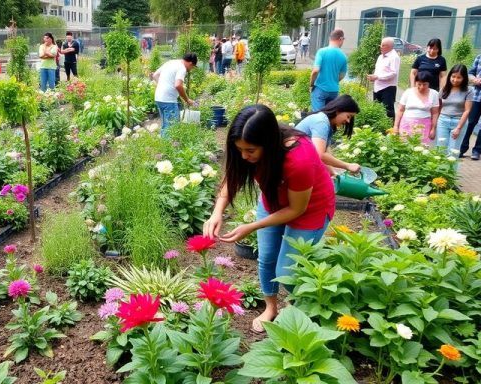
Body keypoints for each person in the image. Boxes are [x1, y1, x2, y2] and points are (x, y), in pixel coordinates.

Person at [203, 104, 334, 334]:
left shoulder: (299, 158)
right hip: (273, 199)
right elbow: (231, 177)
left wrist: (252, 226)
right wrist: (217, 211)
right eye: (240, 149)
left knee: (288, 270)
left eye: (251, 150)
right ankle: (270, 307)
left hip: (309, 208)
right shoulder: (247, 150)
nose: (244, 155)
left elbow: (296, 209)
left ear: (269, 142)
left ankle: (295, 308)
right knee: (266, 258)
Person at [294, 95, 361, 174]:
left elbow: (326, 154)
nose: (348, 121)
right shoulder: (321, 122)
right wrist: (347, 165)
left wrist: (333, 173)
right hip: (294, 161)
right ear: (338, 111)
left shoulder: (328, 124)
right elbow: (320, 155)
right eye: (348, 116)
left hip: (299, 159)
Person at [152, 53, 198, 135]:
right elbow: (178, 85)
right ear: (191, 63)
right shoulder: (182, 68)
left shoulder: (171, 62)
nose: (191, 69)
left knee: (165, 125)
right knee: (171, 127)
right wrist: (187, 99)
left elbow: (155, 75)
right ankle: (169, 146)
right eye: (192, 67)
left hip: (159, 98)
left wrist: (163, 85)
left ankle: (164, 146)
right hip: (168, 100)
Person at [393, 71, 440, 145]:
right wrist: (395, 126)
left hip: (424, 125)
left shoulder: (434, 94)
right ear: (415, 82)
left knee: (422, 148)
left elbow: (435, 113)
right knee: (404, 146)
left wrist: (433, 129)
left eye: (424, 84)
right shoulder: (408, 92)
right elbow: (400, 110)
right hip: (407, 124)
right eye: (419, 84)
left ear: (429, 84)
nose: (421, 87)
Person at [435, 64, 473, 157]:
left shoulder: (469, 90)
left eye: (459, 77)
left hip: (458, 121)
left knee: (453, 152)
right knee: (440, 150)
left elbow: (467, 111)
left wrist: (458, 128)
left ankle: (451, 172)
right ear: (450, 76)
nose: (455, 80)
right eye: (453, 76)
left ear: (464, 78)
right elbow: (439, 107)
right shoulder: (444, 89)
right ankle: (440, 171)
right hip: (443, 120)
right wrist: (435, 123)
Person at [310, 29, 347, 112]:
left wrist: (311, 84)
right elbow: (342, 75)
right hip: (334, 90)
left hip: (320, 88)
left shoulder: (322, 52)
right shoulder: (343, 56)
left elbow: (316, 71)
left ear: (330, 39)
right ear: (340, 39)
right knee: (330, 116)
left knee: (318, 116)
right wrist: (333, 80)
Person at [367, 37, 400, 119]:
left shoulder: (394, 57)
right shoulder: (380, 57)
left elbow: (393, 73)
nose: (380, 47)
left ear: (389, 46)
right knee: (375, 109)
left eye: (383, 45)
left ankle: (391, 129)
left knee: (388, 111)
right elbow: (379, 71)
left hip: (388, 88)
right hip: (377, 87)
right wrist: (373, 77)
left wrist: (377, 77)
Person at [458, 53, 481, 159]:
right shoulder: (479, 56)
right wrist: (474, 79)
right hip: (476, 97)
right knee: (470, 122)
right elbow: (471, 73)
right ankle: (462, 148)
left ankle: (477, 150)